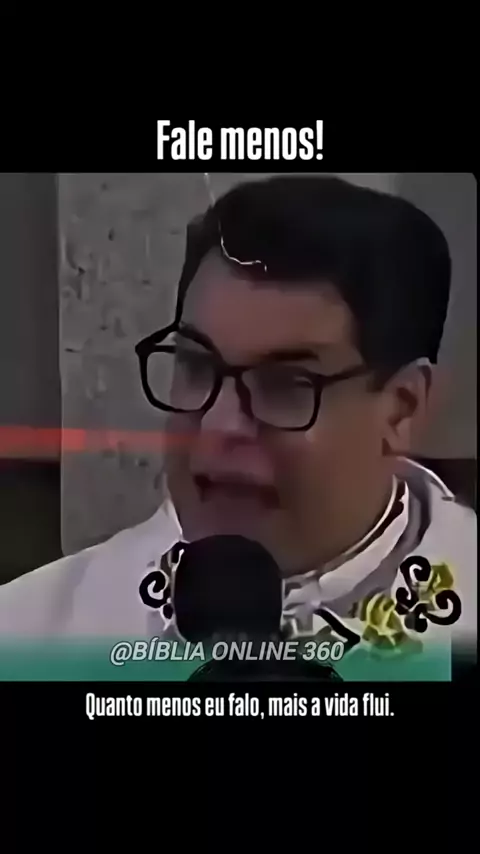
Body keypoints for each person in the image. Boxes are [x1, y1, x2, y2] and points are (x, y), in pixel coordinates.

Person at [0, 176, 476, 676]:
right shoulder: (27, 640)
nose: (219, 426)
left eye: (286, 384)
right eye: (197, 366)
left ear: (401, 408)